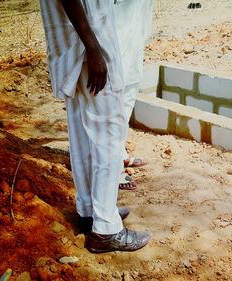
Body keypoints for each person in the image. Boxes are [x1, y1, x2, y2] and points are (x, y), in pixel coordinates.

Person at [39, 0, 153, 253]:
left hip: (76, 48)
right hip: (89, 47)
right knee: (109, 134)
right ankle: (106, 229)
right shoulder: (91, 47)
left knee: (84, 134)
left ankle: (91, 211)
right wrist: (92, 47)